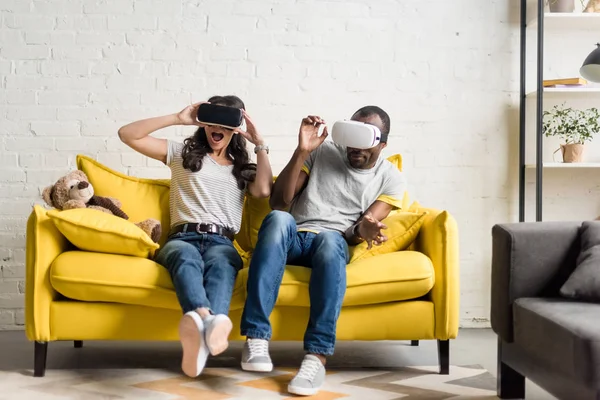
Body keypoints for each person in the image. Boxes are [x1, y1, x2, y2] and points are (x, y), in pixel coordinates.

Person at [239, 106, 407, 396]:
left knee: (330, 241)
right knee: (279, 219)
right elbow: (279, 203)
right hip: (295, 236)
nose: (355, 146)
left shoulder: (391, 179)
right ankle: (256, 338)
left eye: (365, 139)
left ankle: (316, 357)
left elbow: (358, 231)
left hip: (333, 241)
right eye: (351, 135)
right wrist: (302, 150)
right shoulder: (322, 152)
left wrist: (363, 231)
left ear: (382, 144)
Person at [118, 95, 273, 378]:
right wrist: (178, 118)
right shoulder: (181, 154)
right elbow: (127, 135)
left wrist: (258, 141)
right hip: (182, 238)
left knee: (221, 264)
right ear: (203, 124)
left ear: (235, 129)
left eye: (226, 123)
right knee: (185, 258)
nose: (218, 128)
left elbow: (263, 191)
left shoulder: (241, 168)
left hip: (222, 242)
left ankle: (199, 335)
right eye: (211, 120)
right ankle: (208, 319)